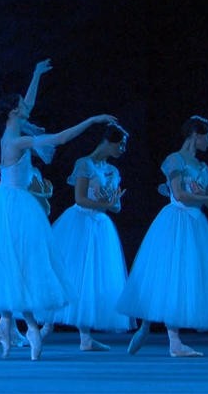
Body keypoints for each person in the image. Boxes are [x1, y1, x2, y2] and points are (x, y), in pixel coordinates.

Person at [0, 58, 117, 360]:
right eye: (21, 104)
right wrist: (92, 120)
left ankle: (8, 324)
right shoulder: (15, 140)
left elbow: (29, 103)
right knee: (16, 261)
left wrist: (36, 74)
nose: (27, 106)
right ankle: (24, 326)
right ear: (13, 111)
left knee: (19, 261)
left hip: (13, 202)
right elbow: (59, 138)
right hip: (10, 206)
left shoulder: (15, 128)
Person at [117, 115, 208, 358]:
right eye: (207, 136)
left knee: (183, 276)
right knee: (167, 273)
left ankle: (165, 335)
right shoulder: (175, 160)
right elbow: (179, 194)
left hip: (195, 224)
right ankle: (159, 332)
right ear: (195, 134)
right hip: (176, 221)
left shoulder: (203, 167)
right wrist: (206, 197)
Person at [42, 122, 134, 351]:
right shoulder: (85, 164)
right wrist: (105, 203)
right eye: (120, 144)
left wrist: (111, 203)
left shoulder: (113, 171)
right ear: (108, 142)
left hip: (100, 226)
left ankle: (85, 338)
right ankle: (46, 324)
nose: (123, 149)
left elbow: (116, 206)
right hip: (79, 222)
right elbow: (80, 199)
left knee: (90, 279)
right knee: (69, 272)